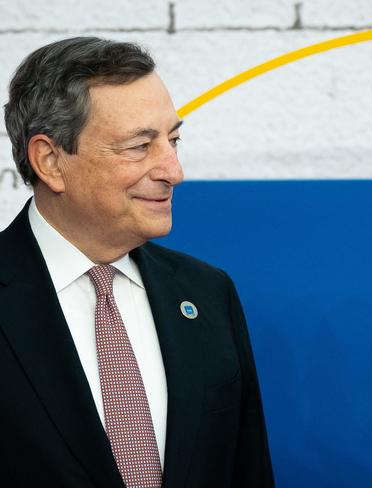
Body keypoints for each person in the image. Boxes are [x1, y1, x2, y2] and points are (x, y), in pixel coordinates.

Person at [0, 37, 274, 487]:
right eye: (139, 146)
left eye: (173, 140)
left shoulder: (207, 293)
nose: (173, 170)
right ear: (50, 161)